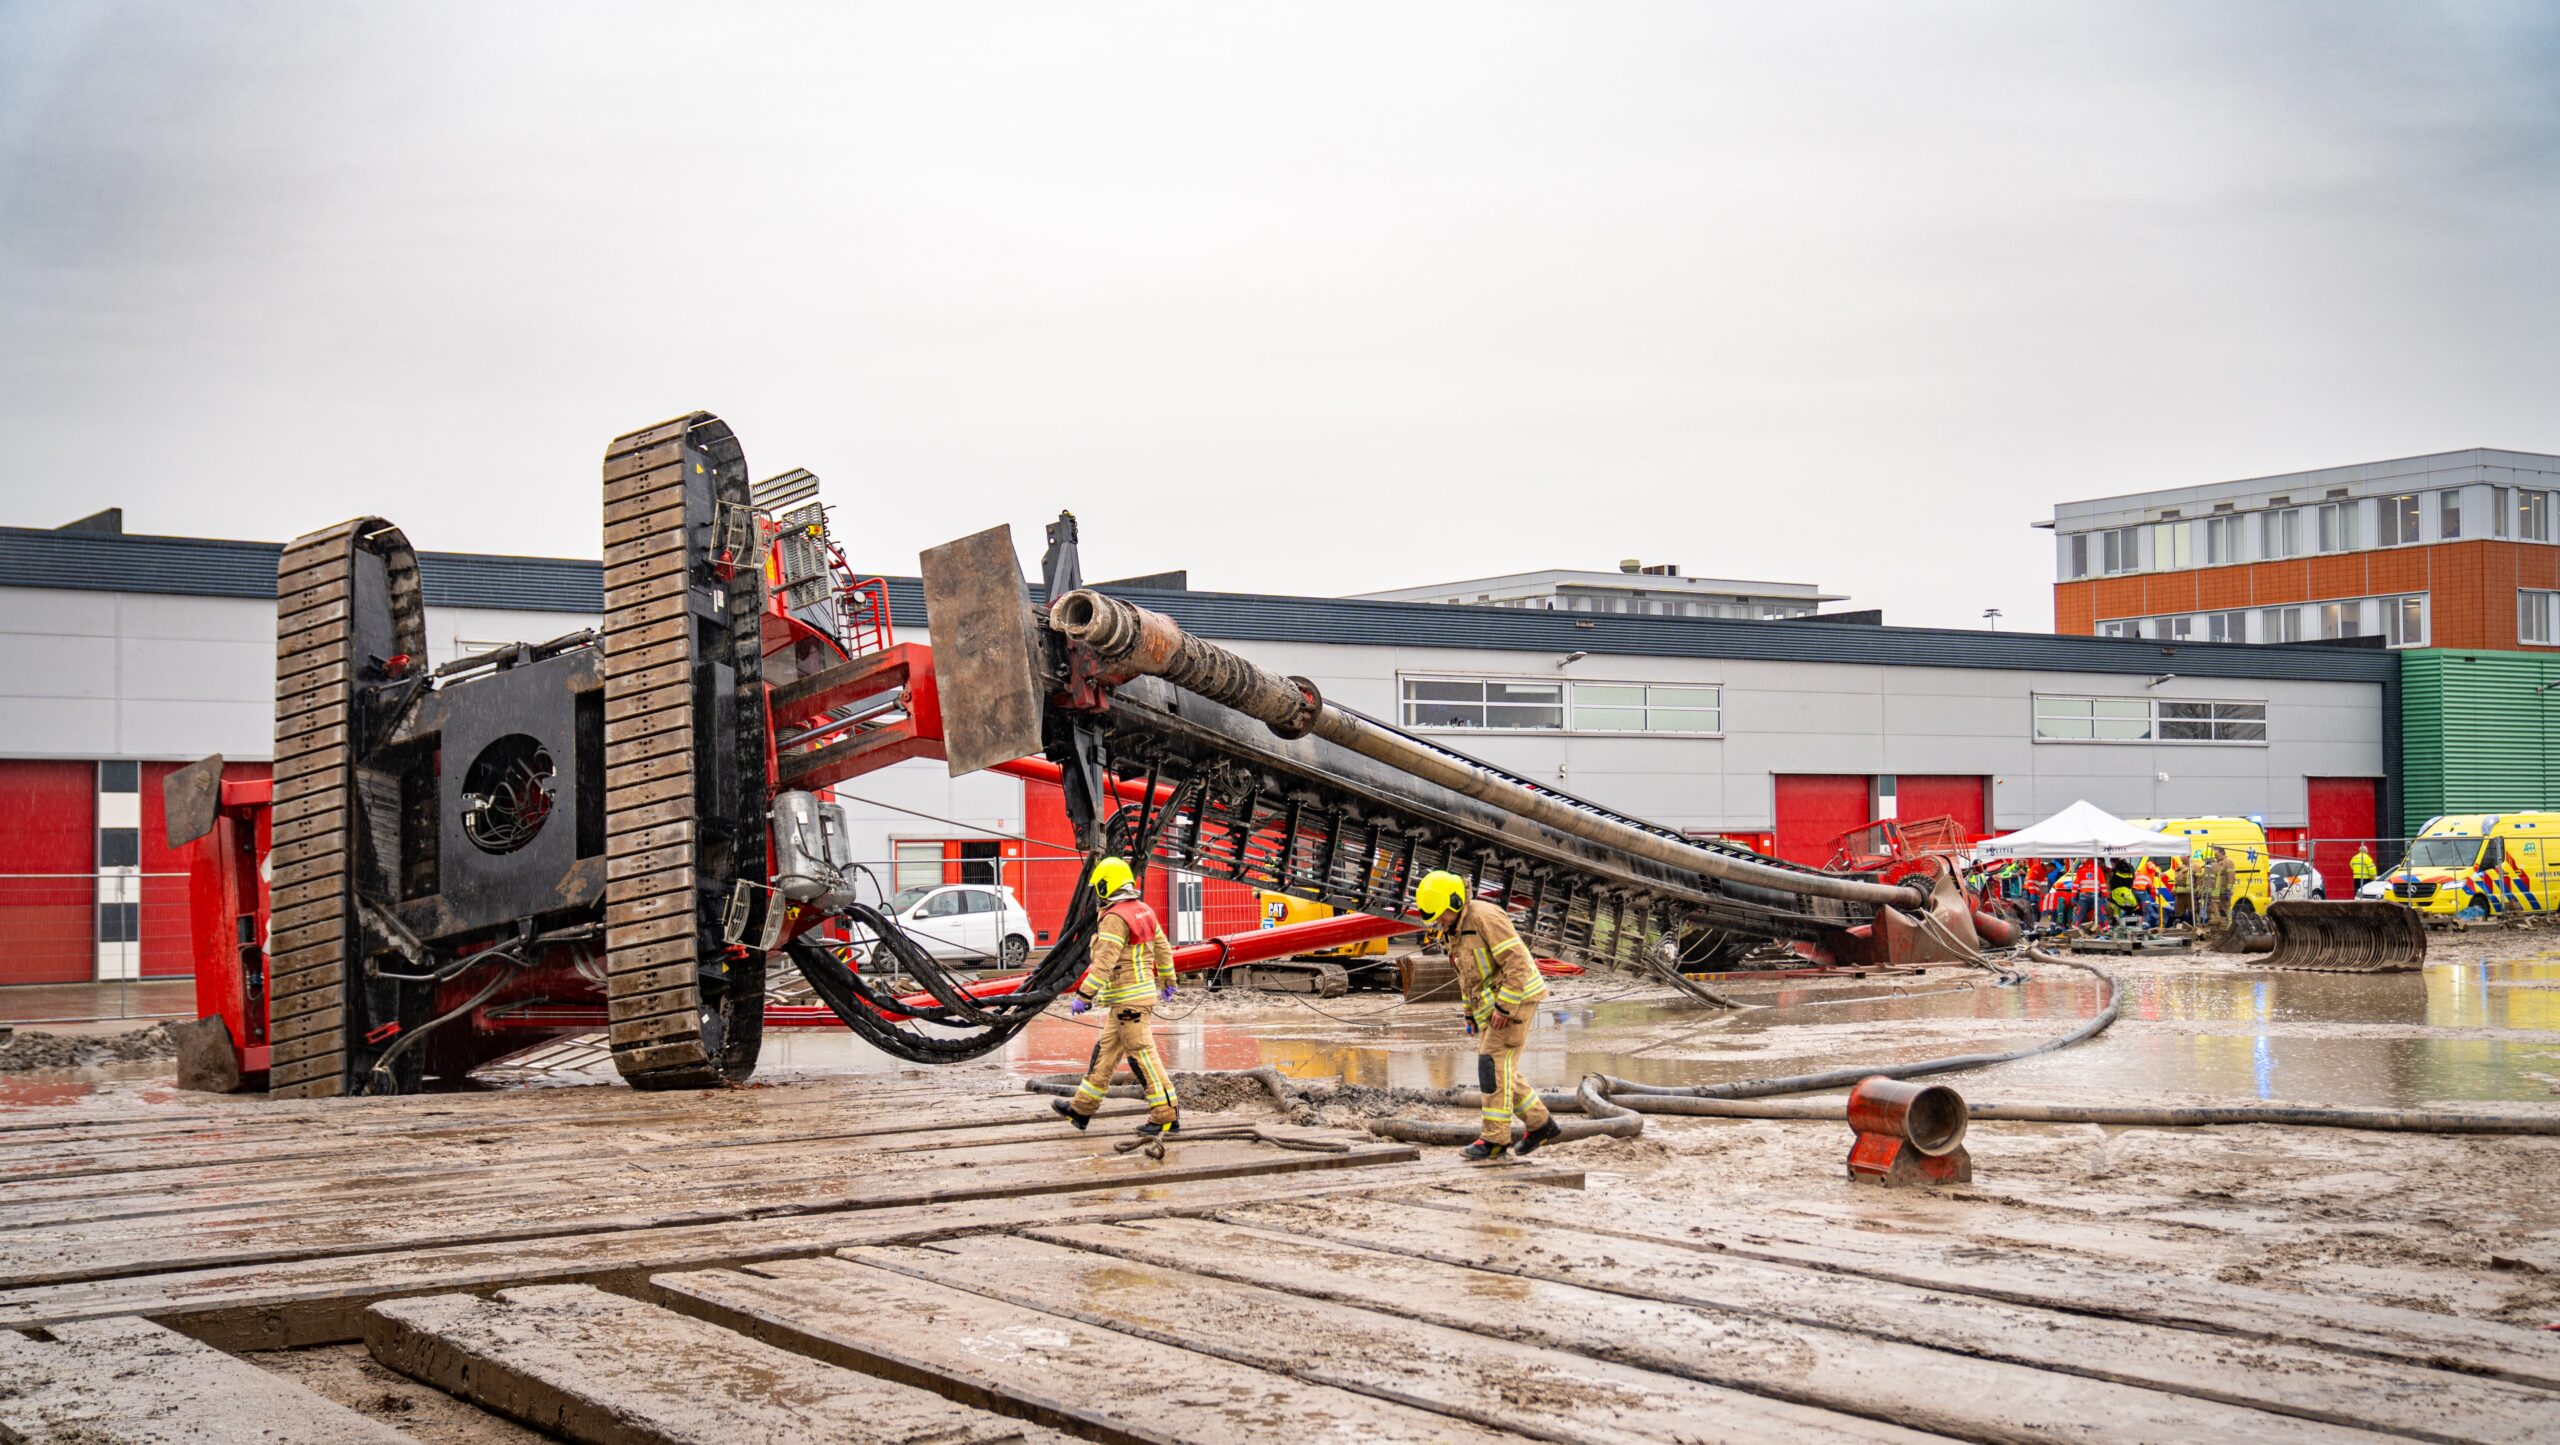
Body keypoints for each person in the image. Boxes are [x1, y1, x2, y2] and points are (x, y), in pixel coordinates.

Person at [1415, 868, 1558, 1162]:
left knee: (1491, 1066)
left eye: (1441, 915)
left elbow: (1517, 962)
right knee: (1503, 1069)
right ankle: (1541, 1124)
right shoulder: (1453, 929)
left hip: (1516, 999)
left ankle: (1494, 1139)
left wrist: (1506, 1006)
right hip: (1493, 1005)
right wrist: (1469, 1013)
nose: (1439, 923)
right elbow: (1467, 975)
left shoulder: (1484, 917)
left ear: (1455, 902)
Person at [1053, 857, 1181, 1137]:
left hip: (1128, 1002)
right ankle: (1082, 1109)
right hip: (1133, 999)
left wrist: (1085, 995)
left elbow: (1104, 963)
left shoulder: (1114, 918)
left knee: (1144, 1056)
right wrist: (1168, 980)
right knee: (1105, 1054)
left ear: (1104, 886)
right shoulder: (1143, 910)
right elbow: (1163, 949)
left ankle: (1166, 1114)